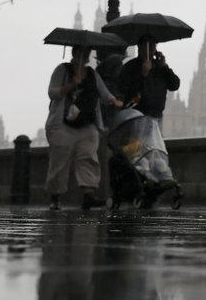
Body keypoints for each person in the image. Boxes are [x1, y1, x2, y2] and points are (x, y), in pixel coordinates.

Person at [44, 45, 123, 210]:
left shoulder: (92, 74)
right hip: (63, 124)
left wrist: (115, 101)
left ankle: (88, 195)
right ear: (75, 53)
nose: (86, 54)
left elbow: (104, 93)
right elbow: (52, 92)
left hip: (87, 125)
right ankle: (55, 197)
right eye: (83, 51)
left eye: (88, 52)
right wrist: (72, 84)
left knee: (88, 158)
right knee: (59, 161)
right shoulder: (62, 70)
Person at [117, 36, 180, 125]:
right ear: (139, 46)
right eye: (147, 43)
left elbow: (174, 85)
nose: (151, 46)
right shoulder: (130, 67)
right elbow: (126, 90)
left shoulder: (160, 67)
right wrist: (143, 75)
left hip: (157, 117)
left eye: (153, 43)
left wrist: (165, 67)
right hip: (137, 117)